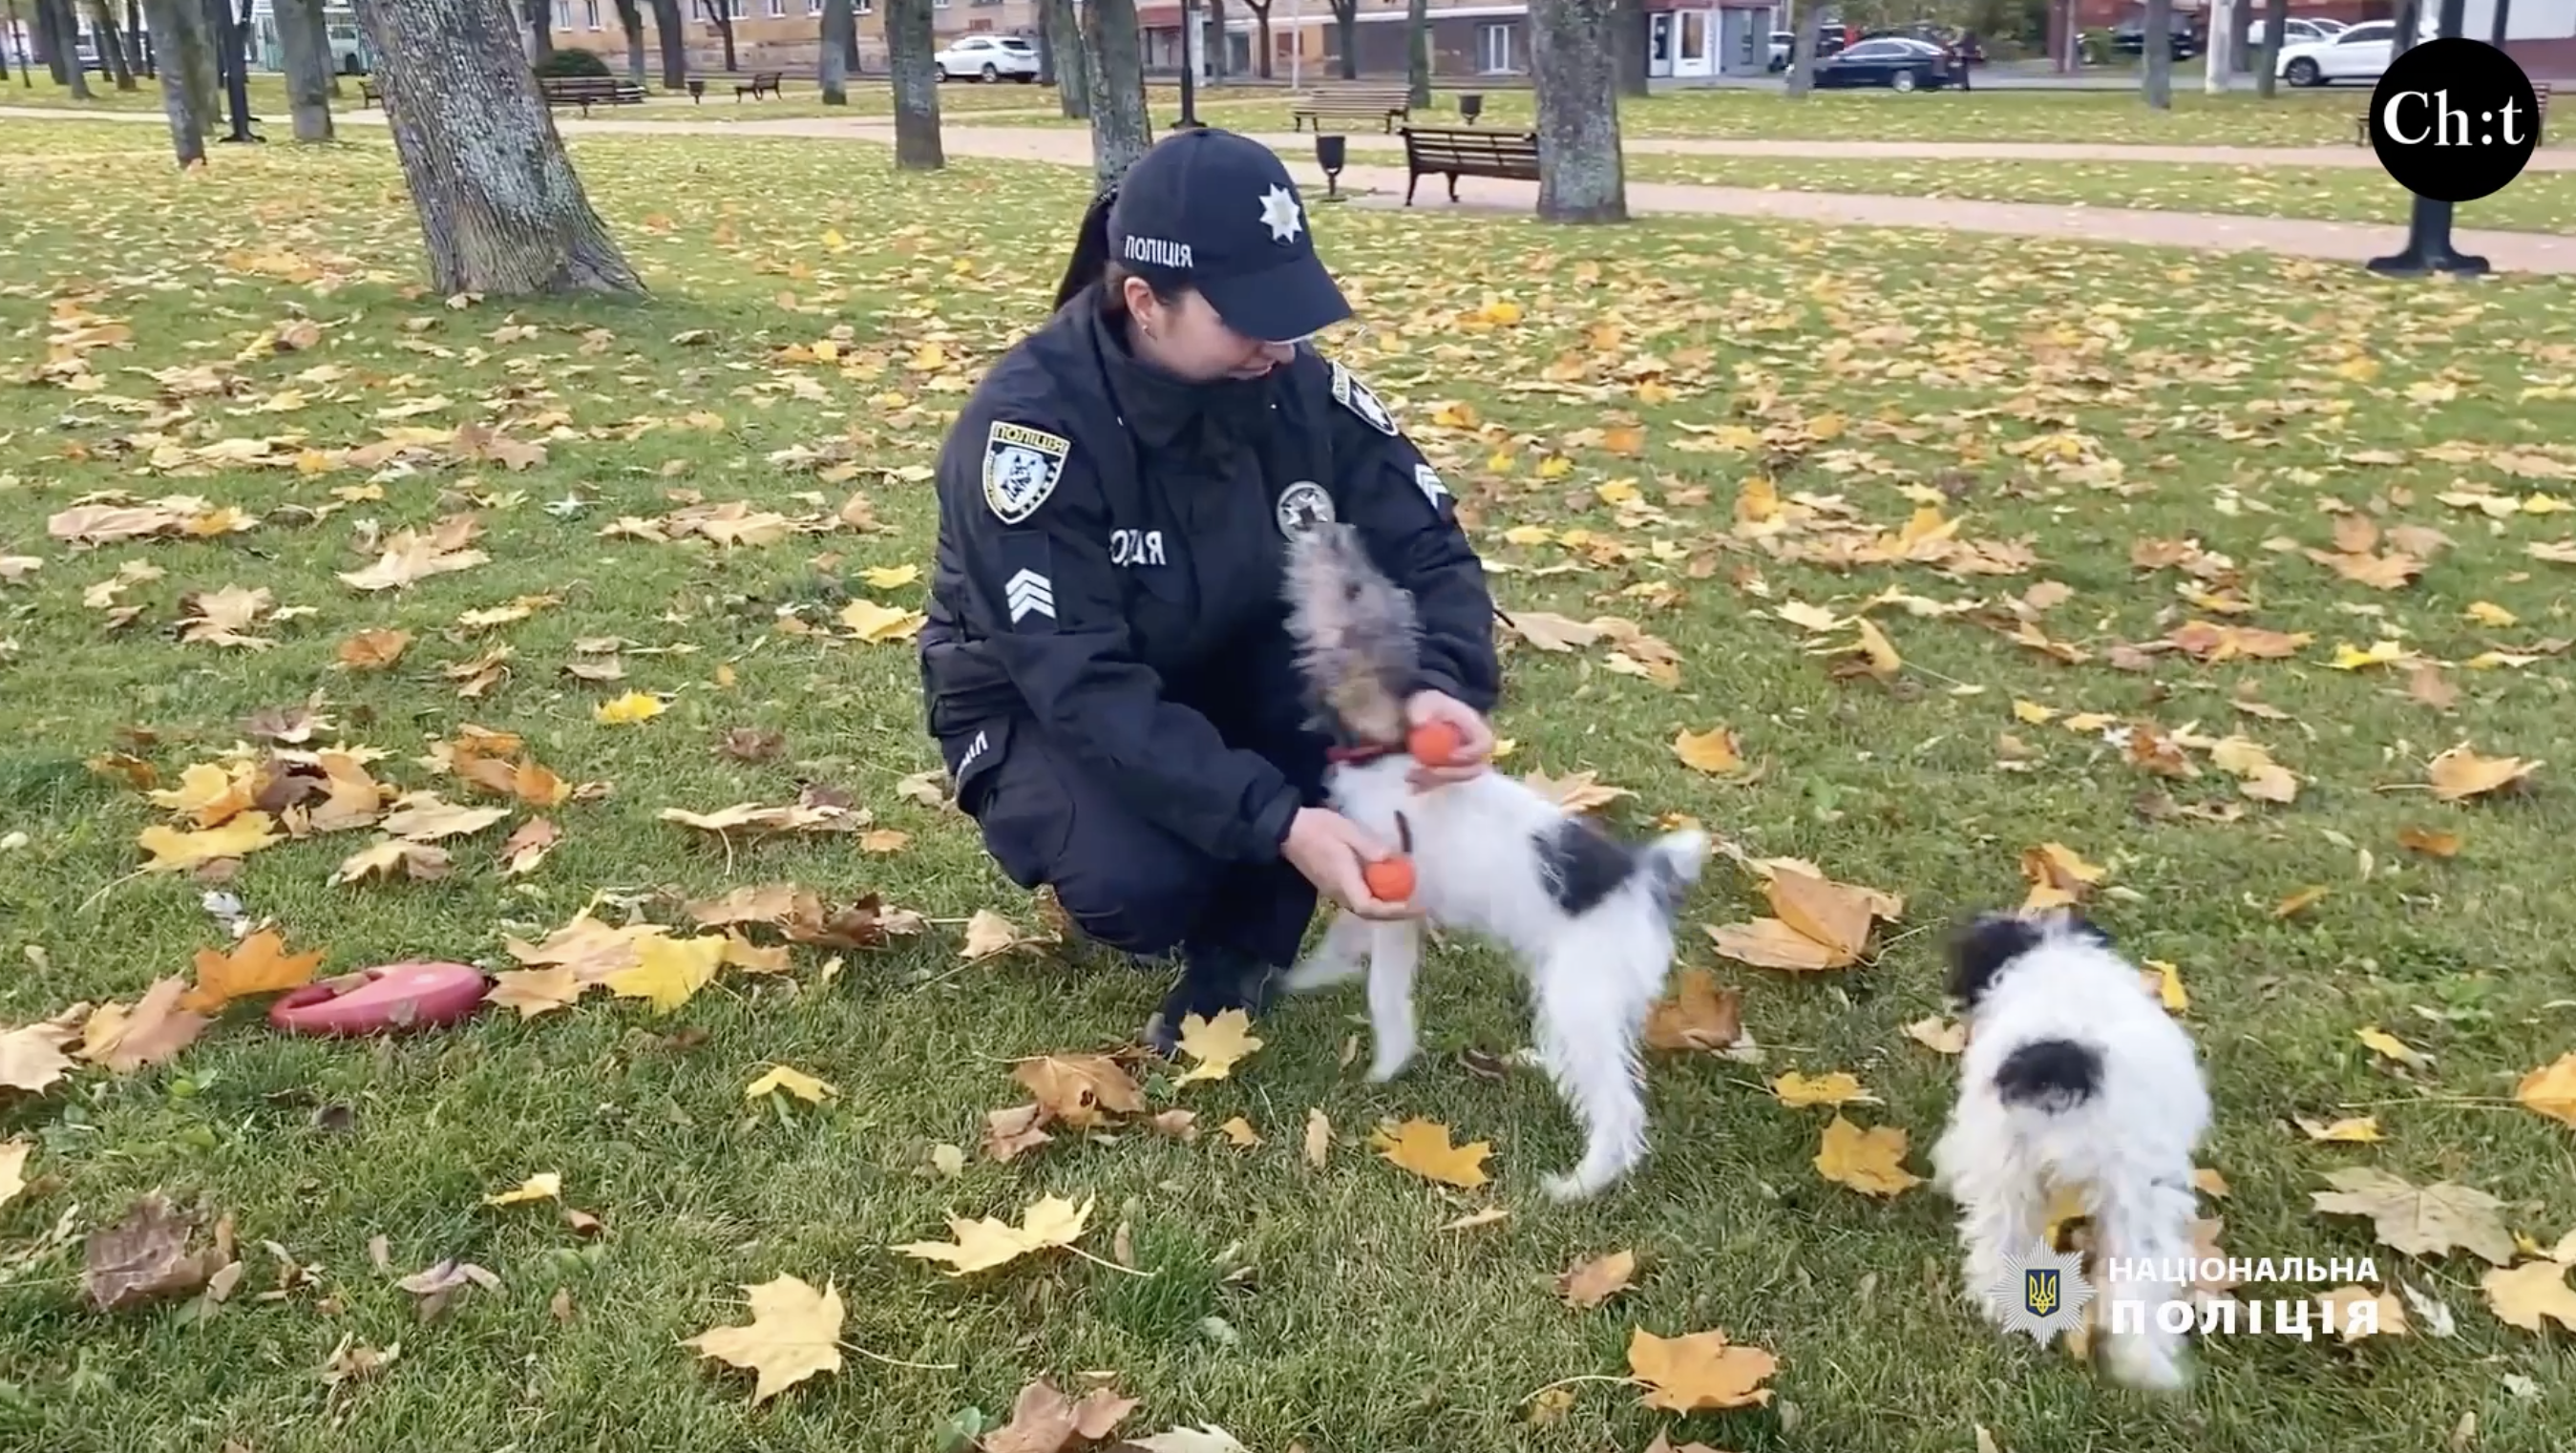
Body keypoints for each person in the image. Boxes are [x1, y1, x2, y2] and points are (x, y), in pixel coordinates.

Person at [918, 128, 1505, 1053]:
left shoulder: (1303, 391)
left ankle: (1245, 949)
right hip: (1039, 699)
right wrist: (1276, 818)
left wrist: (1438, 684)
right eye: (1247, 319)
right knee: (1142, 887)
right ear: (1145, 303)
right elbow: (1082, 684)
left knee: (1349, 692)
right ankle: (1192, 870)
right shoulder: (1032, 434)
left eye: (1290, 313)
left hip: (1230, 654)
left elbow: (1427, 545)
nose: (1279, 346)